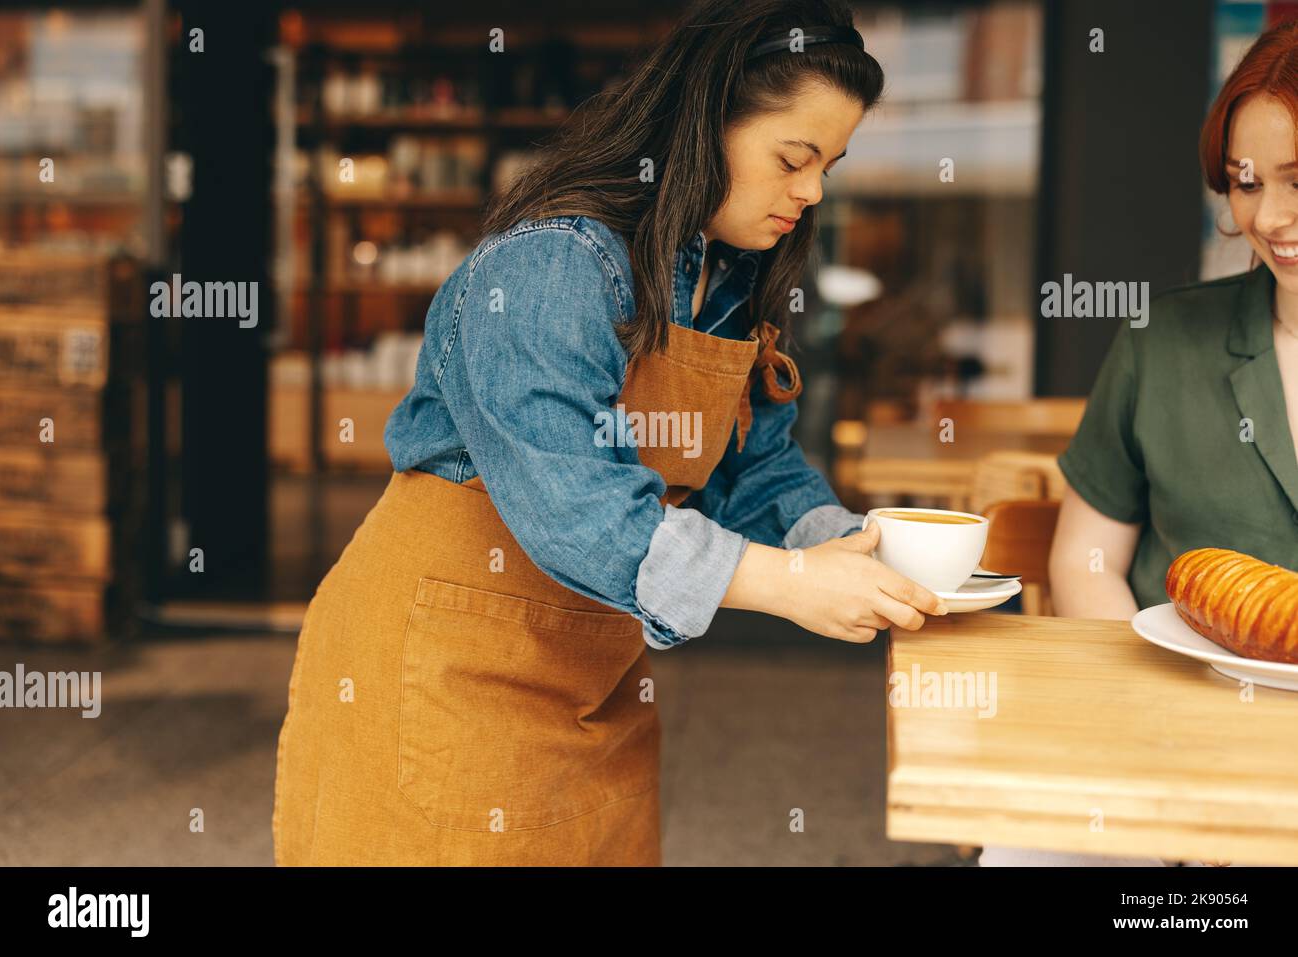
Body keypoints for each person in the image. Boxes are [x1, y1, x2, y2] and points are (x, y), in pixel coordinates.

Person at [273, 0, 946, 867]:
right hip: (440, 662)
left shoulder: (728, 278)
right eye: (794, 157)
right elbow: (576, 507)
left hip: (593, 664)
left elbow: (758, 466)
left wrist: (855, 551)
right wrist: (787, 583)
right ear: (704, 126)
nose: (813, 190)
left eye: (830, 164)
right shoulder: (550, 265)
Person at [983, 18, 1298, 869]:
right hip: (1167, 727)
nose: (1269, 216)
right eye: (1245, 182)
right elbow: (1084, 560)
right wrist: (1162, 724)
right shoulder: (1163, 341)